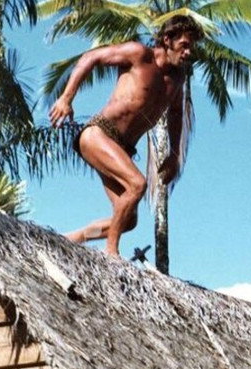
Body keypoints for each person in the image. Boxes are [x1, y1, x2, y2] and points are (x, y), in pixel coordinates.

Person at [47, 15, 200, 257]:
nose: (189, 52)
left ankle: (69, 239)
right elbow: (91, 57)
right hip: (98, 135)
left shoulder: (178, 78)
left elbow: (176, 113)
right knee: (137, 184)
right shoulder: (138, 54)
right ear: (167, 39)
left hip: (123, 148)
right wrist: (66, 98)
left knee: (127, 219)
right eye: (184, 45)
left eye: (192, 46)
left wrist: (173, 154)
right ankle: (112, 253)